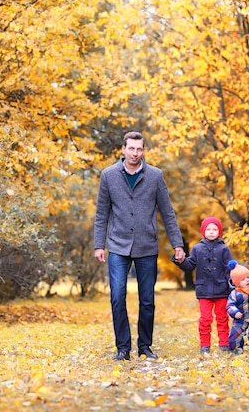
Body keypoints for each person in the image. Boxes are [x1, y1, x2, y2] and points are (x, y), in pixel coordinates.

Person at [94, 131, 185, 361]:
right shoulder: (108, 176)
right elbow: (101, 213)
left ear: (143, 150)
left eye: (139, 149)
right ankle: (122, 348)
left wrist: (178, 244)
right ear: (123, 149)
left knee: (147, 300)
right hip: (117, 245)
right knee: (117, 296)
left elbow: (168, 212)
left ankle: (145, 346)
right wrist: (98, 244)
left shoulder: (155, 176)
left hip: (146, 246)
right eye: (131, 148)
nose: (135, 153)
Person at [173, 217, 233, 354]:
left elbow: (230, 269)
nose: (211, 232)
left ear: (219, 231)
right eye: (208, 229)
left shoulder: (224, 249)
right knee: (205, 319)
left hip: (222, 290)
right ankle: (205, 346)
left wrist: (232, 285)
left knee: (223, 318)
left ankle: (224, 345)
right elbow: (189, 265)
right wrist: (181, 261)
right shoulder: (197, 249)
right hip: (204, 290)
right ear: (203, 231)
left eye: (215, 229)